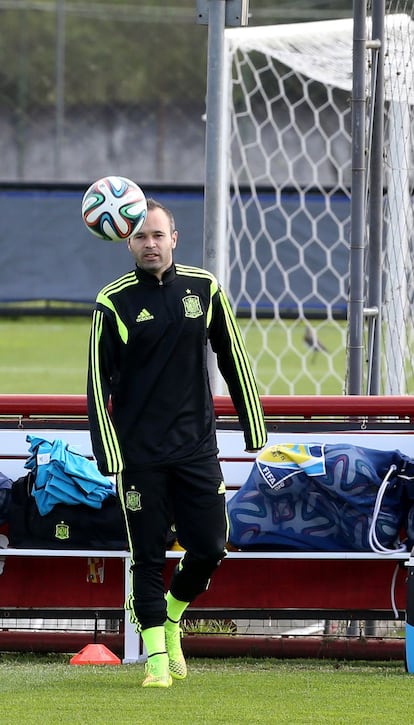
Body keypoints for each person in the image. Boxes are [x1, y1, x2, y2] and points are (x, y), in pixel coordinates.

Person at [87, 197, 267, 688]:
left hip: (196, 450)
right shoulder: (112, 300)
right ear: (127, 240)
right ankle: (156, 661)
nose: (150, 244)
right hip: (140, 455)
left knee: (210, 547)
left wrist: (255, 425)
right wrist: (108, 451)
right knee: (146, 555)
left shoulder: (204, 289)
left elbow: (233, 357)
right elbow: (96, 381)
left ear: (174, 239)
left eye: (158, 235)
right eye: (141, 236)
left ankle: (171, 616)